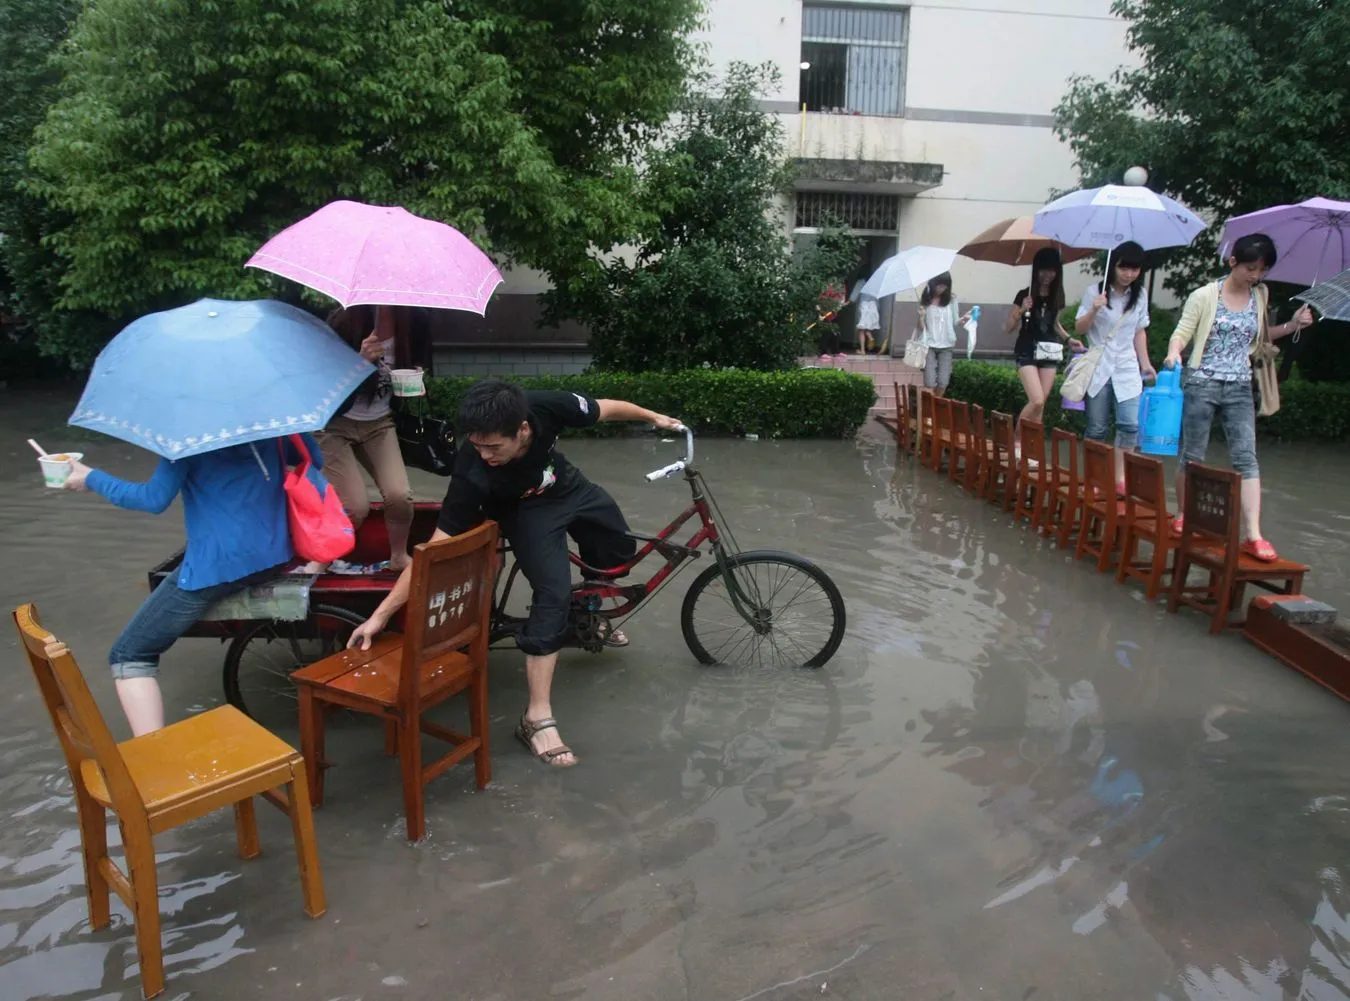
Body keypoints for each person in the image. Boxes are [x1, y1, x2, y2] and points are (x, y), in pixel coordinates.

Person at [347, 380, 682, 768]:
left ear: (522, 430)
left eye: (494, 447)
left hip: (568, 486)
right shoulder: (473, 473)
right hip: (526, 513)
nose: (485, 455)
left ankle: (586, 612)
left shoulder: (545, 407)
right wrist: (381, 615)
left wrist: (653, 416)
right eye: (477, 445)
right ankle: (536, 718)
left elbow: (605, 407)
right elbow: (431, 552)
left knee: (618, 546)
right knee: (552, 595)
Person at [61, 435, 320, 736]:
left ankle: (155, 759)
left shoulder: (186, 442)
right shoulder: (266, 427)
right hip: (275, 553)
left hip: (220, 564)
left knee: (128, 655)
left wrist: (91, 477)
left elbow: (151, 499)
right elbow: (314, 458)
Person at [1163, 233, 1313, 561]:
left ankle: (1254, 535)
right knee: (1193, 455)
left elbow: (1260, 337)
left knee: (1246, 457)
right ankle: (1184, 515)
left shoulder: (1260, 295)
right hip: (1202, 381)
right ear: (1233, 262)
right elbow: (1182, 332)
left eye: (1262, 270)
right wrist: (1174, 352)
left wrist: (1293, 324)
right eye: (1250, 268)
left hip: (1240, 385)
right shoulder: (1204, 295)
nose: (1255, 276)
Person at [313, 304, 422, 573]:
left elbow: (415, 363)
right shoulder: (343, 320)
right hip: (335, 424)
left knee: (400, 496)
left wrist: (415, 380)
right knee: (354, 507)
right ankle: (319, 562)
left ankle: (398, 556)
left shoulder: (411, 320)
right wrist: (359, 362)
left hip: (379, 422)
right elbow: (321, 380)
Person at [1075, 241, 1155, 492]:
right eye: (1124, 268)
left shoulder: (1139, 296)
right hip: (1100, 365)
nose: (1128, 274)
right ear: (1114, 266)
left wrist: (1146, 363)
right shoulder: (1094, 292)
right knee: (1097, 427)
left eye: (1134, 269)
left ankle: (1120, 479)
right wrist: (1094, 310)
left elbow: (1139, 331)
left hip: (1127, 367)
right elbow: (1079, 328)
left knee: (1130, 425)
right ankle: (1094, 478)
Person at [1006, 247, 1084, 425]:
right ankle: (1016, 440)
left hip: (1049, 351)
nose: (1048, 274)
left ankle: (1031, 449)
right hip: (1026, 351)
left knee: (1041, 406)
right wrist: (1022, 310)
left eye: (1052, 270)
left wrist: (1068, 339)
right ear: (1036, 270)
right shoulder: (1024, 295)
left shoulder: (1057, 296)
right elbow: (1009, 327)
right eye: (1043, 269)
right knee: (1037, 400)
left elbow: (1054, 324)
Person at [917, 272, 972, 397]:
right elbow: (922, 328)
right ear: (933, 283)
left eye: (945, 286)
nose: (942, 289)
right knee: (929, 382)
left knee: (943, 382)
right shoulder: (925, 300)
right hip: (929, 345)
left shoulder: (951, 300)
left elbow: (955, 321)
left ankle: (935, 406)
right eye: (939, 285)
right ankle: (929, 412)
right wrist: (921, 317)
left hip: (947, 345)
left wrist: (964, 318)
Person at [850, 280, 881, 355]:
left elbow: (854, 296)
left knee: (861, 329)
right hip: (873, 305)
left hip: (864, 305)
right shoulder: (875, 281)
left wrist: (847, 302)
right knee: (866, 326)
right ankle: (870, 337)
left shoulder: (861, 282)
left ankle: (863, 351)